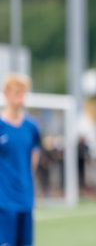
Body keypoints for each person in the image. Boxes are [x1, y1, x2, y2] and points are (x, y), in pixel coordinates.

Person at [0, 74, 41, 246]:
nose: (21, 97)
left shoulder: (31, 127)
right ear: (6, 94)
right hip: (3, 201)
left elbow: (34, 159)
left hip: (25, 199)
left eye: (23, 93)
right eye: (17, 93)